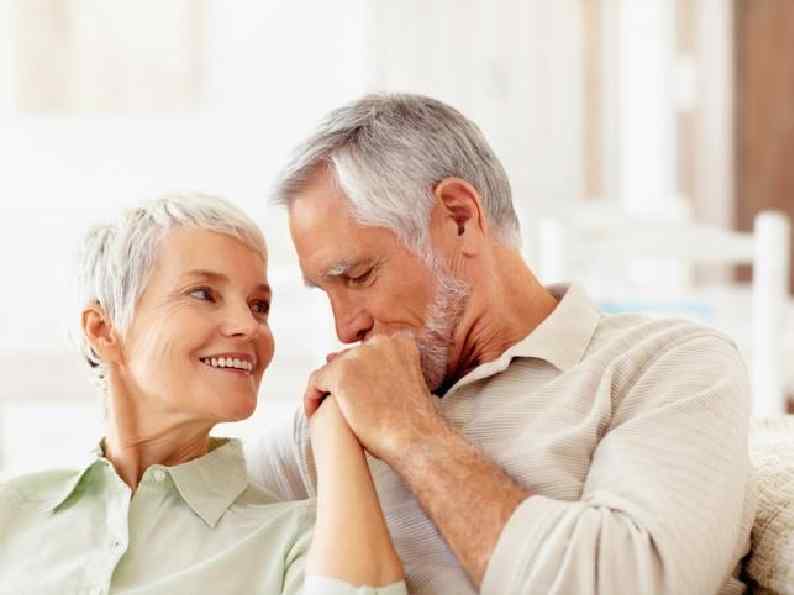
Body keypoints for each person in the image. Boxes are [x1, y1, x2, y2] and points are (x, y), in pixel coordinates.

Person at [248, 94, 756, 595]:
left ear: (459, 218)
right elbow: (204, 515)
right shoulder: (350, 401)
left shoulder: (667, 366)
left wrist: (411, 432)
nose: (345, 328)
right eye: (326, 292)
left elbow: (627, 585)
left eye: (358, 276)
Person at [0, 194, 406, 595]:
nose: (248, 325)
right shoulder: (11, 512)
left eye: (259, 305)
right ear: (104, 331)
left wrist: (333, 420)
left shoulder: (300, 540)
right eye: (203, 294)